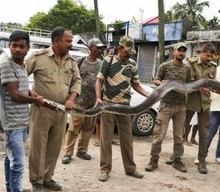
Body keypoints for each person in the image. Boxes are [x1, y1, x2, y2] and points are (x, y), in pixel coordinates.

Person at [26, 27, 82, 192]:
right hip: (41, 110)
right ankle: (36, 181)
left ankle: (47, 178)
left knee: (55, 147)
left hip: (61, 111)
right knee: (38, 147)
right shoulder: (38, 57)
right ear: (56, 41)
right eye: (68, 41)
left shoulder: (71, 61)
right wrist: (34, 96)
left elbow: (77, 81)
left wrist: (71, 99)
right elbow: (21, 78)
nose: (70, 44)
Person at [0, 31, 41, 192]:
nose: (17, 49)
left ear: (27, 48)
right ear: (10, 46)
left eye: (21, 46)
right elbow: (15, 95)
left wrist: (33, 93)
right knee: (18, 164)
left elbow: (22, 88)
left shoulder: (21, 66)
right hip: (13, 123)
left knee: (10, 159)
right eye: (14, 45)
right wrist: (36, 101)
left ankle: (10, 189)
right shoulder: (7, 66)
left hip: (21, 121)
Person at [95, 36, 149, 182]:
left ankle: (130, 169)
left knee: (127, 138)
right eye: (126, 52)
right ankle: (105, 169)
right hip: (108, 105)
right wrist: (98, 98)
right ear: (120, 48)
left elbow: (136, 85)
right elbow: (99, 80)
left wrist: (148, 95)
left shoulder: (132, 64)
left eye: (131, 53)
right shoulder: (109, 61)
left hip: (125, 106)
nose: (128, 55)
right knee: (106, 138)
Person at [145, 43, 189, 172]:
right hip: (166, 105)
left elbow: (189, 84)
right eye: (179, 50)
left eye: (183, 51)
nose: (181, 53)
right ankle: (153, 161)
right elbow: (156, 81)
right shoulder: (165, 66)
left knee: (179, 136)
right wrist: (167, 84)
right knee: (159, 135)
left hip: (181, 106)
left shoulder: (187, 69)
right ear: (174, 52)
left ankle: (177, 160)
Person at [61, 38, 104, 164]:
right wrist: (69, 97)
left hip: (93, 104)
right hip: (78, 102)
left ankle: (82, 150)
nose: (99, 50)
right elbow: (72, 79)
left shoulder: (101, 64)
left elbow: (102, 81)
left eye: (100, 48)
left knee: (88, 129)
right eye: (97, 47)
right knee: (73, 129)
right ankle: (68, 153)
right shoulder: (80, 62)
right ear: (90, 48)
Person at [183, 43, 217, 174]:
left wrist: (212, 88)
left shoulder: (213, 67)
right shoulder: (191, 63)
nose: (209, 58)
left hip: (205, 104)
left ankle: (202, 161)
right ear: (201, 53)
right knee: (182, 131)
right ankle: (177, 156)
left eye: (211, 56)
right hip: (190, 101)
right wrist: (199, 87)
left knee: (203, 134)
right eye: (207, 55)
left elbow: (213, 84)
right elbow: (187, 82)